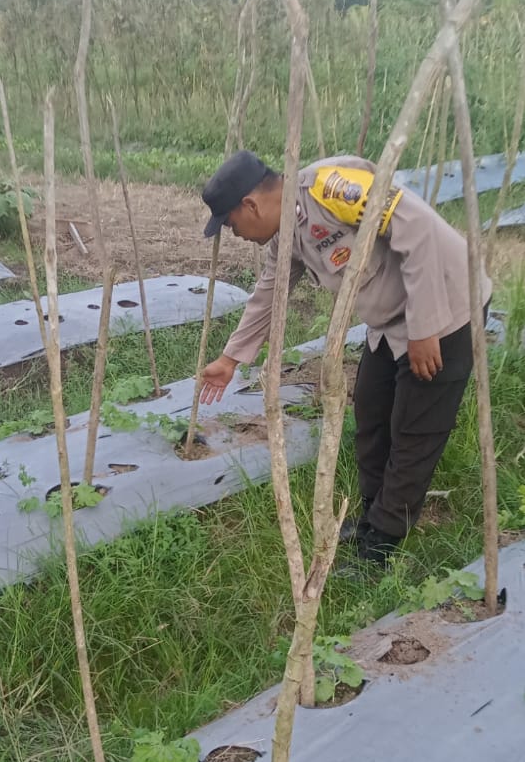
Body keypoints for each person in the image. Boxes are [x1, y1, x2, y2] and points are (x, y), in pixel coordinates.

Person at [198, 150, 491, 564]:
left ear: (251, 205)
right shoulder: (286, 234)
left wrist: (426, 327)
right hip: (390, 322)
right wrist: (230, 359)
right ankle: (374, 514)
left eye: (230, 224)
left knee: (415, 428)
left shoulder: (330, 189)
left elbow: (419, 230)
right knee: (371, 413)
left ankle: (384, 541)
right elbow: (269, 292)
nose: (235, 234)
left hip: (445, 306)